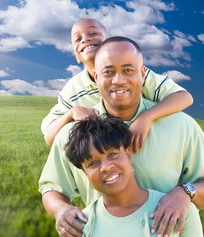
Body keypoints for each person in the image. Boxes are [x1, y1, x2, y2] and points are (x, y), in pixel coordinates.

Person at [38, 36, 204, 237]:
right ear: (96, 76)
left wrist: (186, 192)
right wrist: (60, 209)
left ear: (142, 74)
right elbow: (51, 188)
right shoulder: (73, 134)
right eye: (108, 72)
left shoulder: (181, 126)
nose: (118, 80)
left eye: (128, 70)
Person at [61, 115, 204, 237]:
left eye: (112, 154)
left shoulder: (179, 210)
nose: (105, 167)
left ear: (128, 155)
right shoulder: (74, 227)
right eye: (93, 163)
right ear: (85, 173)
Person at [41, 18, 193, 151]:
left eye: (93, 33)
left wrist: (146, 117)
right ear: (76, 55)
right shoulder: (73, 89)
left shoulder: (134, 74)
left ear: (109, 43)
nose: (85, 39)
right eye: (78, 39)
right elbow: (49, 137)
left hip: (149, 143)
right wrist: (71, 113)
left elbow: (184, 97)